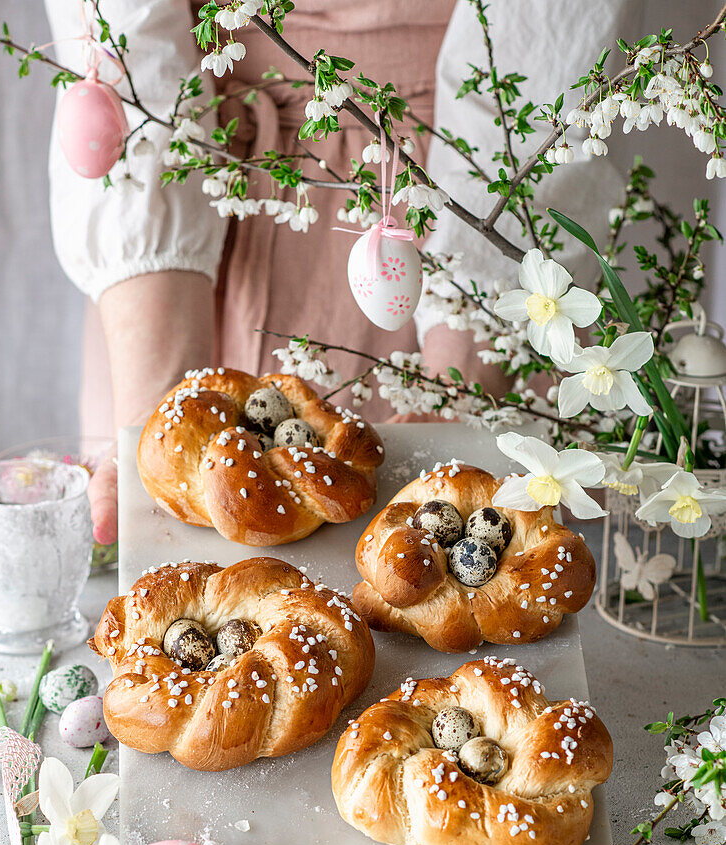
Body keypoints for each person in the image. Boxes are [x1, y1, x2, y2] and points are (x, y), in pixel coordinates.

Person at [44, 0, 634, 544]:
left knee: (452, 536)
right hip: (185, 206)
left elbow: (545, 30)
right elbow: (123, 28)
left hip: (450, 201)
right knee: (162, 536)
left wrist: (457, 384)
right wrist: (157, 403)